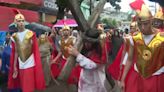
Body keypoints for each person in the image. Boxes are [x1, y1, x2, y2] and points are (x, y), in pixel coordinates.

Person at [120, 3, 164, 92]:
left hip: (157, 77)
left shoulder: (162, 38)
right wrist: (123, 79)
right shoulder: (135, 38)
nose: (142, 28)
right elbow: (130, 59)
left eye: (145, 24)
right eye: (139, 24)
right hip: (138, 76)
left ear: (151, 21)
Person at [8, 10, 45, 92]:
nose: (21, 23)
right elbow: (16, 52)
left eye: (22, 21)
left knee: (29, 87)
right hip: (21, 64)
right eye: (19, 21)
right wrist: (14, 66)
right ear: (15, 23)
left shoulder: (30, 34)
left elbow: (35, 49)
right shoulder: (14, 36)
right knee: (23, 86)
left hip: (30, 63)